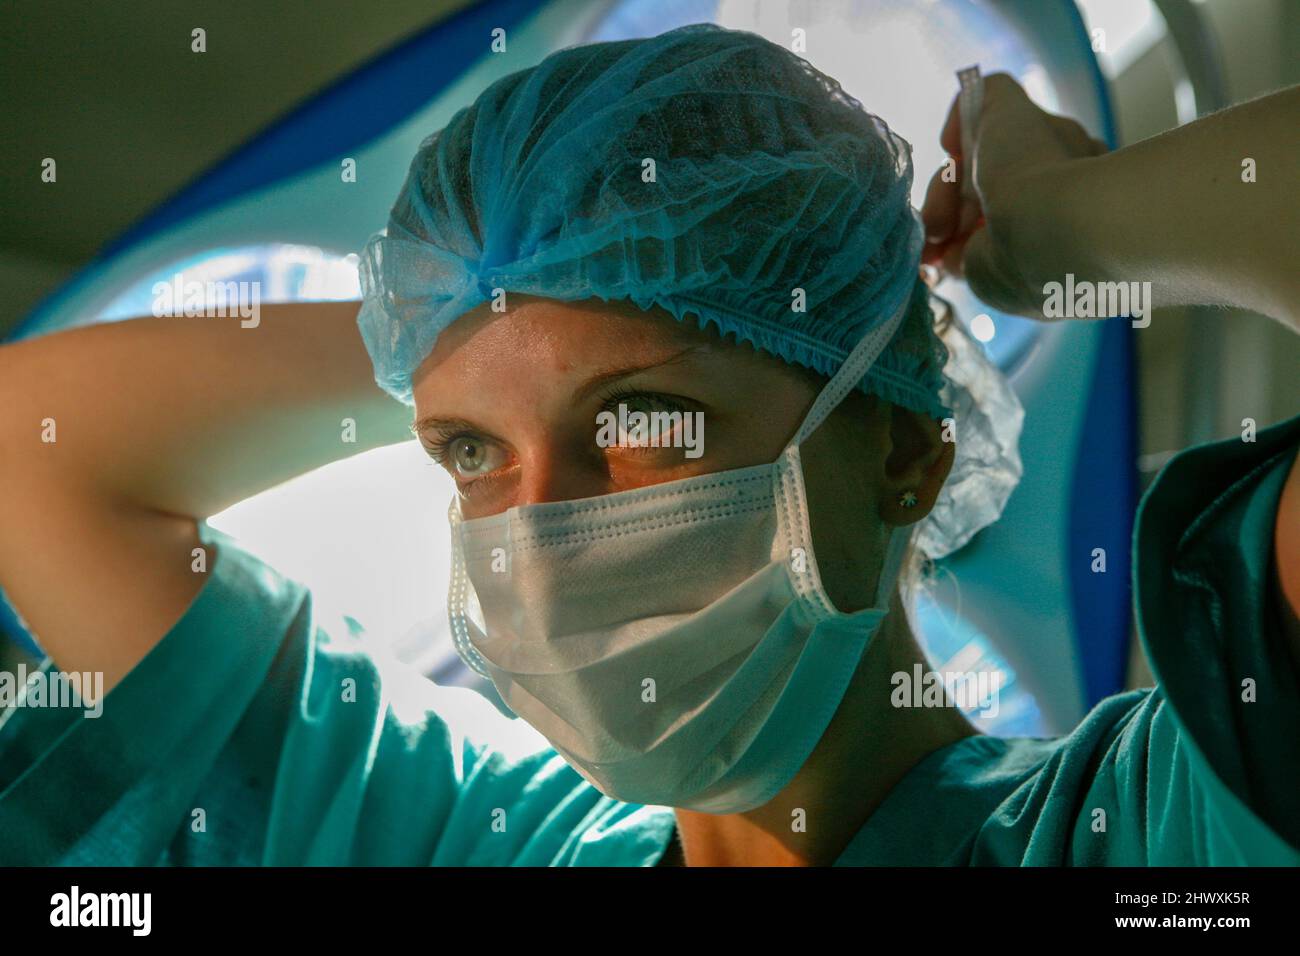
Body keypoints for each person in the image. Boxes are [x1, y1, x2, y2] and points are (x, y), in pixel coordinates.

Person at [0, 23, 1296, 867]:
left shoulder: (1150, 836)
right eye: (467, 454)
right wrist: (471, 291)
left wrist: (1072, 224)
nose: (538, 536)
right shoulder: (472, 836)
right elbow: (32, 448)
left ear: (904, 451)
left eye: (640, 424)